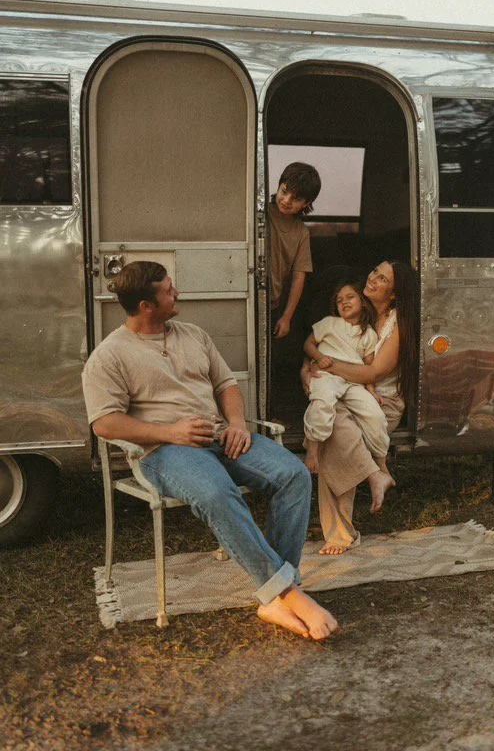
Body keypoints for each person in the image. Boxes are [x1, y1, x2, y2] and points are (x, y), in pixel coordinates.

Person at [82, 260, 338, 640]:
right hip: (164, 452)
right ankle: (288, 594)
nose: (177, 293)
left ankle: (276, 598)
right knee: (217, 493)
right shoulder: (110, 355)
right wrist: (170, 431)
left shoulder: (193, 334)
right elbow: (104, 422)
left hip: (221, 437)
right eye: (169, 290)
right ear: (146, 307)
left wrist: (236, 424)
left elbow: (226, 386)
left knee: (294, 475)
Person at [302, 260, 418, 555]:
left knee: (335, 435)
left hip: (382, 401)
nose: (373, 279)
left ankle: (341, 533)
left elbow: (372, 374)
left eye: (382, 279)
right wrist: (308, 368)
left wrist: (324, 365)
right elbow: (323, 343)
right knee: (336, 427)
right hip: (346, 393)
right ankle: (376, 473)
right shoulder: (353, 308)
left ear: (393, 293)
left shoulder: (396, 324)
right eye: (374, 272)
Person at [302, 278, 390, 484]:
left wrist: (371, 390)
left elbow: (369, 366)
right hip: (327, 375)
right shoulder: (329, 323)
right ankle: (313, 448)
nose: (344, 302)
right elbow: (308, 343)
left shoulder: (368, 333)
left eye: (350, 297)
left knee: (375, 414)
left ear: (362, 302)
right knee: (322, 401)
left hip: (353, 382)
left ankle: (381, 460)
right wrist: (318, 356)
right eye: (339, 300)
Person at [269, 161, 322, 340]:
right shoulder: (260, 214)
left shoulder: (301, 232)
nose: (287, 200)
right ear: (279, 186)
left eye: (296, 198)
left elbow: (299, 276)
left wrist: (286, 317)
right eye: (284, 191)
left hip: (272, 304)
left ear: (307, 203)